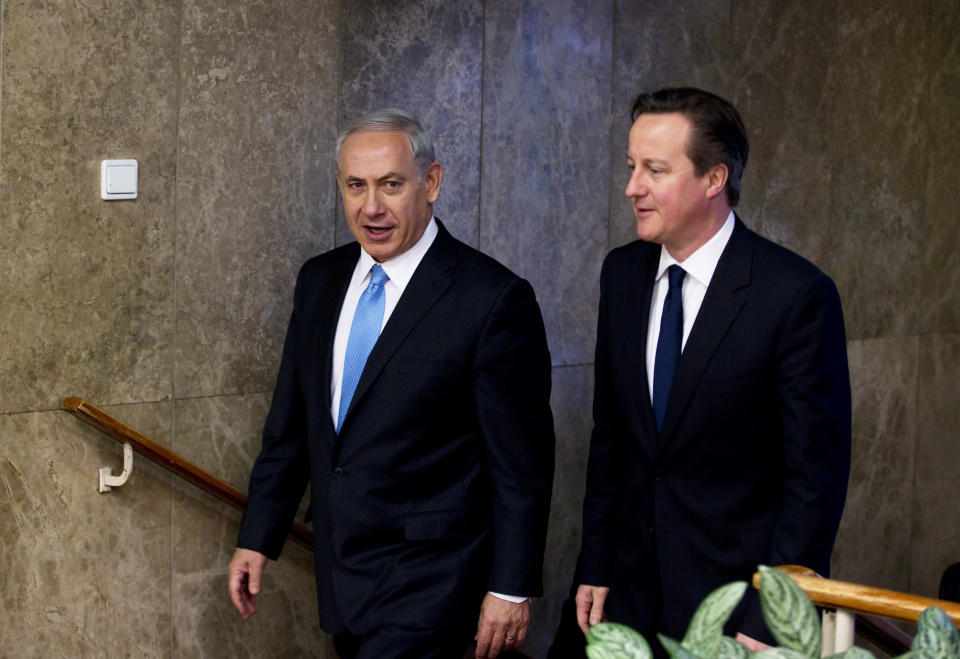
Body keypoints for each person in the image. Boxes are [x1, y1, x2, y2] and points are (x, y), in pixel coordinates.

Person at [228, 108, 555, 659]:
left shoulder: (491, 298)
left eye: (391, 185)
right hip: (342, 578)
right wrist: (258, 536)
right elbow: (289, 428)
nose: (371, 206)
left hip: (434, 584)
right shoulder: (320, 280)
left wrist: (510, 586)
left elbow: (522, 463)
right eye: (356, 186)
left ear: (431, 183)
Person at [550, 87, 851, 655]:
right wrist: (594, 563)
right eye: (631, 166)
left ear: (714, 179)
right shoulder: (621, 273)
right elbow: (611, 440)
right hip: (622, 596)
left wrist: (772, 616)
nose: (631, 187)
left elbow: (814, 482)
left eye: (654, 170)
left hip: (735, 608)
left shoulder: (795, 296)